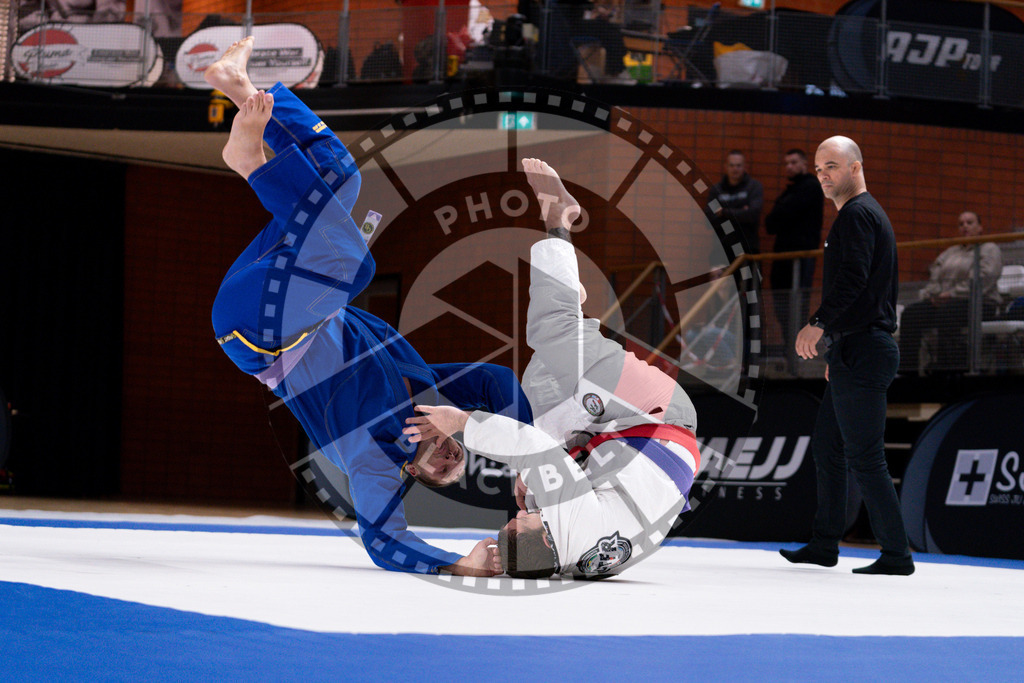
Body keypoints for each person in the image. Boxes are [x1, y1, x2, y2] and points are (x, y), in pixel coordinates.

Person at [207, 37, 532, 577]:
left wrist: (458, 565)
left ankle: (250, 161)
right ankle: (241, 87)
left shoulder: (377, 458)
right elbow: (498, 382)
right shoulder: (433, 392)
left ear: (414, 472)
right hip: (286, 292)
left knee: (352, 266)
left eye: (441, 472)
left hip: (257, 332)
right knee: (342, 178)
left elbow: (385, 542)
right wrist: (528, 457)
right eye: (458, 456)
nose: (451, 461)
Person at [404, 159, 701, 579]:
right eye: (519, 520)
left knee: (540, 388)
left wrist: (536, 491)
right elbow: (533, 450)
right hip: (653, 415)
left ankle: (568, 306)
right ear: (545, 539)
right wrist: (461, 422)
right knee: (551, 331)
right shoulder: (565, 526)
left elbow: (564, 502)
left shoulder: (580, 561)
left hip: (635, 443)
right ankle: (559, 219)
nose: (519, 511)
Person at [783, 136, 914, 576]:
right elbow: (862, 289)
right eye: (819, 169)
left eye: (832, 166)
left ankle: (897, 554)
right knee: (828, 446)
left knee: (866, 456)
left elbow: (854, 279)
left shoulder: (858, 215)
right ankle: (825, 544)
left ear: (856, 167)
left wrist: (818, 323)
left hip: (865, 348)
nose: (823, 175)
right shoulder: (860, 215)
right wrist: (835, 345)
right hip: (854, 347)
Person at [897, 211, 1003, 375]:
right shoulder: (950, 252)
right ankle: (907, 371)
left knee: (948, 313)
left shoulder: (989, 248)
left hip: (980, 303)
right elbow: (935, 277)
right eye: (961, 224)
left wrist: (953, 293)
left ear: (980, 227)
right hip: (944, 301)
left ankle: (950, 368)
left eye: (969, 222)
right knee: (911, 314)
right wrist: (936, 296)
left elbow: (984, 278)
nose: (964, 226)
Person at [765, 148, 824, 374]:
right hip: (783, 257)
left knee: (796, 308)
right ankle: (793, 355)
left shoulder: (809, 186)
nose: (789, 166)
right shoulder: (790, 191)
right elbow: (770, 224)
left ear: (804, 164)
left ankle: (798, 358)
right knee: (783, 308)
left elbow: (780, 216)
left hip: (799, 259)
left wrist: (782, 213)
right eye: (786, 162)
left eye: (794, 162)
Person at [708, 150, 764, 254]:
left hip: (748, 249)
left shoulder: (754, 187)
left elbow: (752, 214)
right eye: (732, 165)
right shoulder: (716, 190)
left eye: (738, 165)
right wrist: (741, 212)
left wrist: (724, 212)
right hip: (722, 249)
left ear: (744, 167)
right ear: (726, 166)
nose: (735, 169)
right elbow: (710, 219)